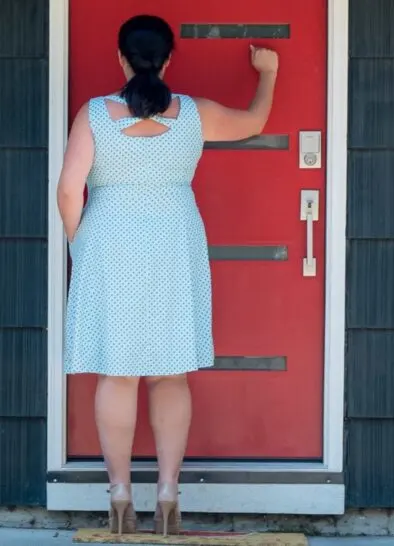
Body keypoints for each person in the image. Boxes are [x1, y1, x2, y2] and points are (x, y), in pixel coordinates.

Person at [56, 14, 278, 536]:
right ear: (169, 60)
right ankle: (169, 493)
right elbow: (253, 123)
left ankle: (118, 494)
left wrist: (78, 242)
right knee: (170, 372)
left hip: (109, 243)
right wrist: (268, 73)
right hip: (175, 242)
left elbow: (69, 190)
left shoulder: (94, 115)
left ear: (120, 59)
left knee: (118, 371)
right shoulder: (194, 115)